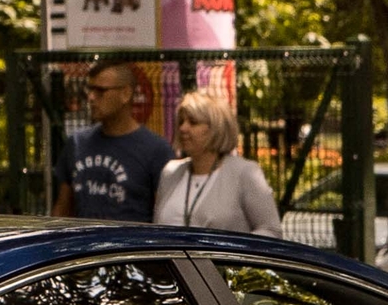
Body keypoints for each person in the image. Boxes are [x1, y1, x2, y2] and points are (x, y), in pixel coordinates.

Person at [154, 87, 281, 233]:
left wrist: (233, 247)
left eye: (193, 122)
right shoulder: (170, 172)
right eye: (181, 121)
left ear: (216, 128)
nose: (183, 128)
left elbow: (271, 230)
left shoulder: (245, 173)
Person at [55, 59, 171, 220]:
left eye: (100, 91)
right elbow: (62, 209)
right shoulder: (77, 143)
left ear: (126, 94)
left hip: (131, 236)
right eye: (90, 90)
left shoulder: (156, 150)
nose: (91, 97)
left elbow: (166, 216)